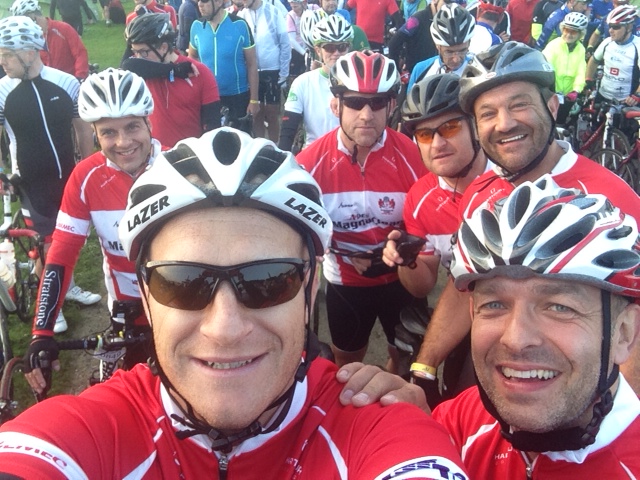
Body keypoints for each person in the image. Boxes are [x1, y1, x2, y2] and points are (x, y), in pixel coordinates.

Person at [0, 127, 470, 479]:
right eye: (182, 282)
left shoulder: (373, 423)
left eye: (269, 280)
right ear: (144, 293)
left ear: (310, 292)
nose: (225, 328)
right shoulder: (96, 430)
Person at [411, 41, 640, 406]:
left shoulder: (615, 200)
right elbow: (462, 289)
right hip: (493, 371)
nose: (505, 123)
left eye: (519, 104)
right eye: (488, 113)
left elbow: (633, 323)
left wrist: (620, 421)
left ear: (551, 107)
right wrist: (424, 365)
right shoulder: (479, 193)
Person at [433, 177, 640, 477]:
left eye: (559, 307)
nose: (516, 339)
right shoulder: (464, 419)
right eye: (494, 304)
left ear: (624, 333)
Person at [23, 69, 158, 394]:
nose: (124, 142)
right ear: (94, 134)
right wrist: (42, 332)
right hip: (126, 311)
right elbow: (61, 256)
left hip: (181, 304)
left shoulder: (180, 167)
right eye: (109, 132)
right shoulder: (85, 177)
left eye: (132, 127)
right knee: (124, 401)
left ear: (149, 122)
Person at [296, 51, 427, 373]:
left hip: (401, 279)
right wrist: (336, 250)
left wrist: (401, 249)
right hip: (345, 281)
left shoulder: (416, 157)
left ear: (392, 106)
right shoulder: (308, 165)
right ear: (335, 105)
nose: (367, 115)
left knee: (404, 357)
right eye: (355, 103)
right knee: (347, 361)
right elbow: (298, 238)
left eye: (378, 102)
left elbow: (428, 223)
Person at [382, 73, 489, 396]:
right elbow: (423, 285)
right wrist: (407, 260)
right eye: (425, 135)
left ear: (475, 127)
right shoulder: (420, 197)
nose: (438, 143)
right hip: (461, 313)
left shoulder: (511, 181)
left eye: (450, 128)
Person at [0, 16, 96, 332]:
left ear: (29, 53)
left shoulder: (66, 83)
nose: (2, 61)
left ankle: (65, 288)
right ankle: (49, 300)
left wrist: (89, 170)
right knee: (47, 244)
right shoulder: (3, 91)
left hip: (67, 177)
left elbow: (82, 131)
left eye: (6, 54)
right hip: (28, 181)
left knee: (71, 239)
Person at [122, 13, 221, 148]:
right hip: (152, 157)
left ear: (163, 47)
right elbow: (127, 66)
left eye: (143, 52)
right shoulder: (142, 71)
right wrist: (174, 70)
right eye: (135, 51)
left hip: (190, 156)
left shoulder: (200, 73)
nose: (138, 56)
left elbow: (212, 125)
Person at [279, 14, 353, 151]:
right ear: (318, 51)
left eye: (342, 47)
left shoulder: (359, 83)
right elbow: (288, 131)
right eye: (330, 47)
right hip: (314, 156)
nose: (336, 53)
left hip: (349, 156)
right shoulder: (302, 83)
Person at [189, 0, 259, 131]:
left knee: (239, 145)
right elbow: (192, 56)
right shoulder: (197, 26)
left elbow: (252, 64)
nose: (200, 4)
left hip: (237, 96)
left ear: (219, 2)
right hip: (209, 97)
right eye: (197, 1)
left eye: (204, 1)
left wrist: (254, 100)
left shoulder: (239, 25)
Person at [235, 0, 291, 141]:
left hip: (272, 70)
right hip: (252, 70)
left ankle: (274, 147)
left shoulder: (273, 12)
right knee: (256, 112)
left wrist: (284, 73)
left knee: (272, 113)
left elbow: (285, 44)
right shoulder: (241, 15)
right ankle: (260, 147)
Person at [10, 0, 90, 80]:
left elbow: (80, 53)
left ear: (33, 17)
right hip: (47, 84)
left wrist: (79, 77)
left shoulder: (63, 29)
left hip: (71, 80)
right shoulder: (29, 38)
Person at [408, 3, 475, 88]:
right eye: (449, 52)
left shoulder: (478, 69)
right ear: (437, 46)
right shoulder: (421, 70)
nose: (456, 59)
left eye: (462, 50)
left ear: (469, 43)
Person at [586, 4, 640, 107]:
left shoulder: (638, 46)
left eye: (616, 27)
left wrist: (637, 95)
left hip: (625, 102)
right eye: (610, 26)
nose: (610, 30)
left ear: (628, 27)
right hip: (602, 96)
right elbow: (594, 60)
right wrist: (588, 80)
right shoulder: (607, 42)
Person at [542, 11, 588, 124]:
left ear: (580, 34)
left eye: (573, 32)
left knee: (562, 124)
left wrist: (576, 90)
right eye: (566, 30)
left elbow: (581, 72)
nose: (568, 34)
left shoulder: (581, 49)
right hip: (551, 93)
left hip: (568, 96)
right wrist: (549, 89)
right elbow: (545, 68)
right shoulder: (553, 45)